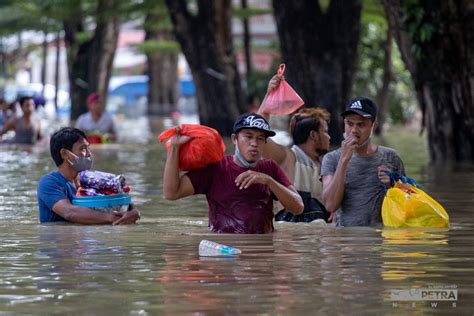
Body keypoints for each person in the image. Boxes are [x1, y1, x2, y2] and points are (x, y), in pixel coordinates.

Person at [162, 113, 304, 234]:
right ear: (234, 139)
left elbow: (298, 207)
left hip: (263, 249)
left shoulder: (270, 168)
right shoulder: (216, 168)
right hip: (225, 250)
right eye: (248, 137)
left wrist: (269, 181)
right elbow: (171, 193)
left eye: (260, 138)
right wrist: (175, 148)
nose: (254, 143)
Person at [320, 97, 405, 227]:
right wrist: (343, 161)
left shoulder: (391, 157)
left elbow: (406, 203)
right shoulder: (332, 158)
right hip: (346, 240)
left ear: (373, 126)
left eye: (361, 125)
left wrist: (391, 185)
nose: (354, 130)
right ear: (344, 124)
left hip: (379, 239)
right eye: (350, 124)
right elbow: (330, 205)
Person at [258, 76, 332, 223]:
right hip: (290, 236)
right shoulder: (288, 157)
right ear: (313, 135)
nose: (329, 137)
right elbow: (260, 136)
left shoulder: (327, 165)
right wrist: (269, 96)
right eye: (325, 132)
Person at [37, 127, 140, 224]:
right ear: (65, 154)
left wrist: (134, 212)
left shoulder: (90, 180)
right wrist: (111, 217)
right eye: (83, 148)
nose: (89, 154)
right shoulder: (49, 183)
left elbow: (118, 199)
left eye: (88, 148)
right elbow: (69, 212)